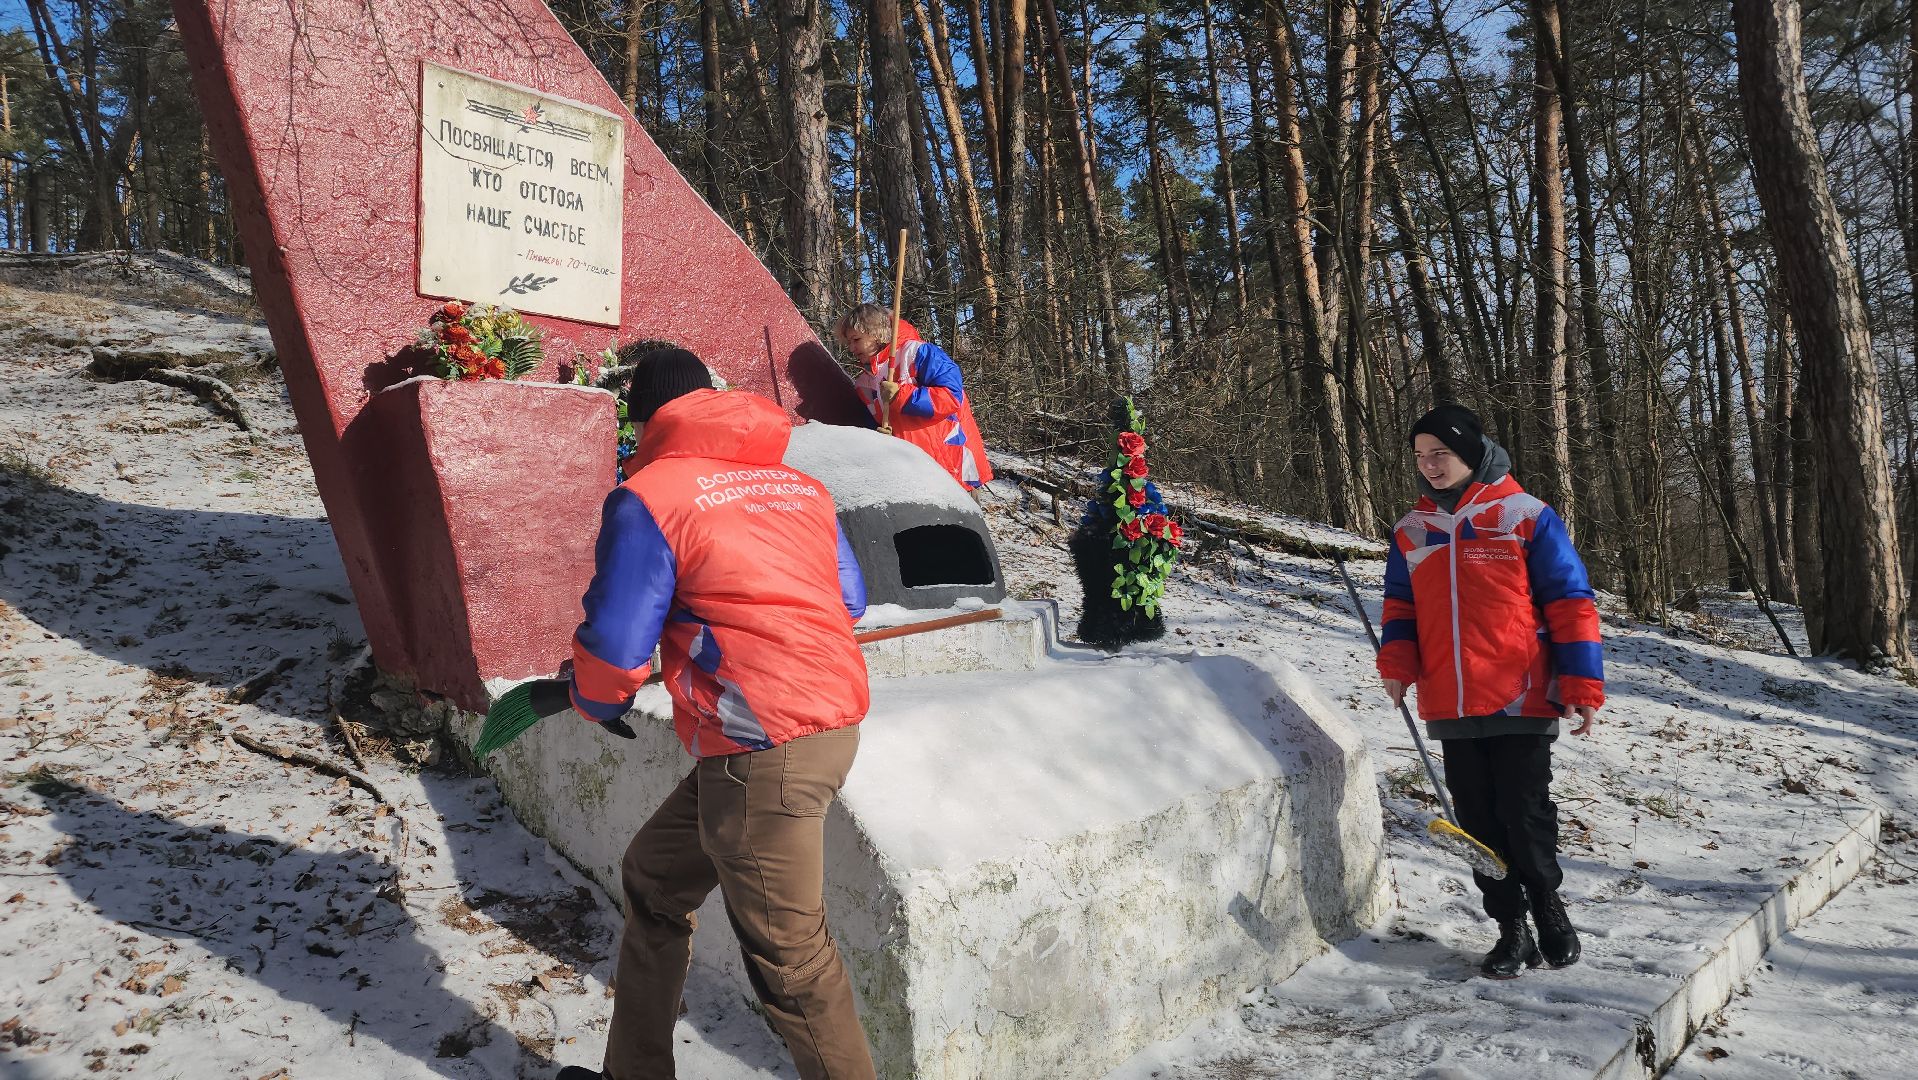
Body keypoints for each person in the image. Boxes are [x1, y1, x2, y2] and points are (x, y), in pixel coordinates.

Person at [557, 348, 878, 1080]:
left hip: (762, 743)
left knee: (791, 962)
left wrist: (594, 697)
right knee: (655, 878)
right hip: (817, 725)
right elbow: (849, 600)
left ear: (645, 421)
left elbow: (614, 640)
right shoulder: (800, 487)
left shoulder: (653, 493)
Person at [1375, 404, 1604, 979]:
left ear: (1471, 452)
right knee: (1478, 824)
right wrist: (1397, 664)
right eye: (1421, 456)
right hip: (1450, 700)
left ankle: (1550, 910)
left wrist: (1580, 683)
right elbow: (1401, 610)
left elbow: (1571, 602)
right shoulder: (1412, 531)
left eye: (1441, 454)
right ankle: (1511, 928)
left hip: (1519, 693)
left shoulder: (1525, 516)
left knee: (1525, 815)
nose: (1430, 466)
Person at [833, 303, 993, 490]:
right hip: (911, 476)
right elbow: (872, 423)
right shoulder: (865, 383)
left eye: (856, 339)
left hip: (950, 465)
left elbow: (951, 397)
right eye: (849, 342)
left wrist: (903, 396)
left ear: (875, 333)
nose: (851, 348)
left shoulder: (917, 353)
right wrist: (879, 438)